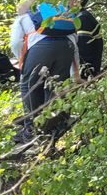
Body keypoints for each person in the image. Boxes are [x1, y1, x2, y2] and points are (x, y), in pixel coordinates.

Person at [9, 7, 79, 142]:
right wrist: (76, 72)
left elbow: (16, 43)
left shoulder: (23, 17)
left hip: (40, 48)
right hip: (67, 47)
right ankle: (56, 123)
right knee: (56, 86)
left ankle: (32, 129)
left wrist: (22, 60)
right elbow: (75, 40)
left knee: (29, 87)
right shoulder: (61, 14)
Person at [70, 0, 103, 78]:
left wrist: (83, 74)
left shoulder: (83, 18)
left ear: (77, 0)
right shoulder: (80, 16)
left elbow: (83, 49)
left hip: (86, 73)